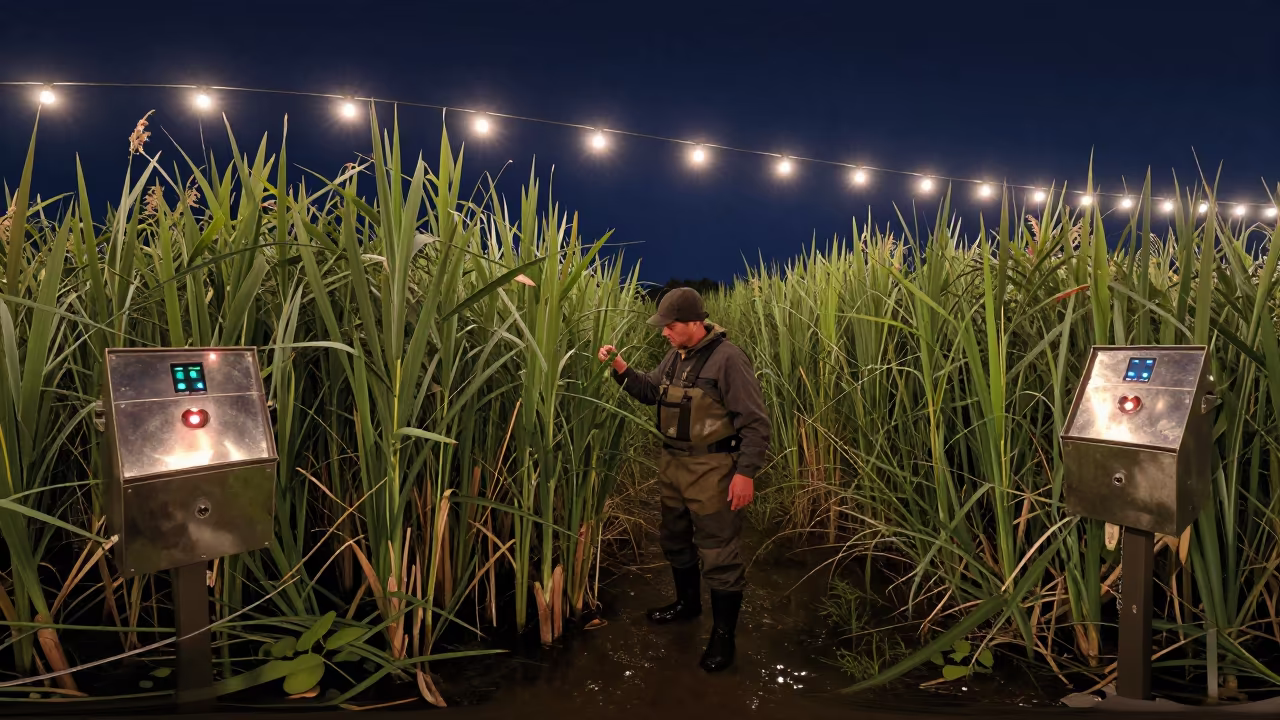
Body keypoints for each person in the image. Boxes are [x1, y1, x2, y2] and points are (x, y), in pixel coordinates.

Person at [597, 287, 771, 672]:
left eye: (670, 326)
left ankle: (723, 639)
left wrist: (745, 474)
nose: (664, 332)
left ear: (695, 323)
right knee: (674, 538)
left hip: (713, 470)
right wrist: (621, 367)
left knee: (718, 552)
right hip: (673, 466)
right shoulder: (676, 356)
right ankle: (687, 606)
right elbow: (650, 393)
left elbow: (756, 423)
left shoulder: (728, 359)